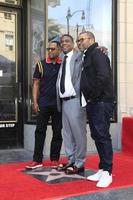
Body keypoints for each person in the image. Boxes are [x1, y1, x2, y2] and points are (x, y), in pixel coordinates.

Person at [77, 31, 115, 187]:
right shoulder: (88, 55)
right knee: (97, 135)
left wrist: (93, 95)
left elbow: (103, 76)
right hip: (94, 102)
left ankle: (108, 172)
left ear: (91, 39)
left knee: (102, 135)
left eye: (82, 39)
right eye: (78, 40)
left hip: (101, 102)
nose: (79, 42)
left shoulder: (97, 54)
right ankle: (102, 169)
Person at [26, 41, 62, 170]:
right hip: (44, 104)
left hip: (59, 104)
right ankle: (37, 160)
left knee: (57, 132)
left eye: (53, 49)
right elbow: (35, 84)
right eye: (48, 49)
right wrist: (35, 102)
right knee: (40, 131)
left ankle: (54, 159)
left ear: (59, 50)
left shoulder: (63, 65)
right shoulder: (41, 64)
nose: (50, 51)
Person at [56, 34, 87, 175]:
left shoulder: (79, 56)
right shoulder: (62, 58)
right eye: (62, 42)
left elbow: (89, 52)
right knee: (67, 134)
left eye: (67, 41)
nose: (64, 43)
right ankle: (71, 160)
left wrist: (101, 48)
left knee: (78, 133)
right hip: (64, 101)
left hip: (75, 100)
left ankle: (80, 163)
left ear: (73, 43)